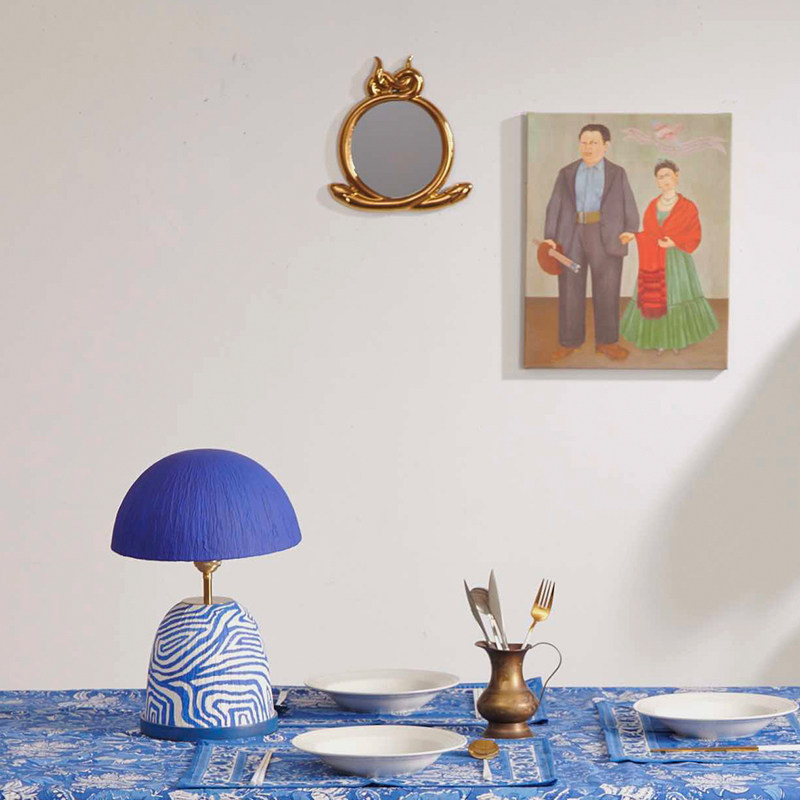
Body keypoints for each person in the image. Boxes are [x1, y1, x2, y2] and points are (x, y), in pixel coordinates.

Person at [543, 124, 639, 362]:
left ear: (606, 146)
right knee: (569, 288)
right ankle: (569, 341)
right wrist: (550, 236)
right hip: (570, 234)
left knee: (607, 288)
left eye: (594, 142)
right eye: (584, 142)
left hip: (605, 236)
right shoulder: (566, 172)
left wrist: (630, 230)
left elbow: (629, 202)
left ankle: (607, 343)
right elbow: (555, 204)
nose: (588, 147)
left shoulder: (617, 173)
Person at [619, 160, 718, 353]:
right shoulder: (652, 206)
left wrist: (674, 242)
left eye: (668, 175)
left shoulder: (688, 206)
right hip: (654, 260)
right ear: (656, 181)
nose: (664, 180)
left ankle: (677, 340)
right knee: (655, 297)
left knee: (676, 296)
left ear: (676, 177)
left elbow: (695, 234)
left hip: (678, 261)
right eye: (660, 177)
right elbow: (649, 234)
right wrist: (634, 236)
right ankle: (660, 339)